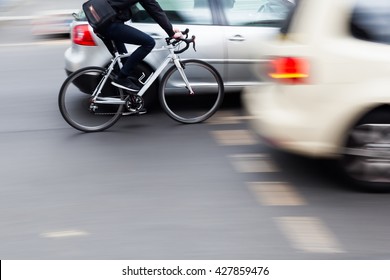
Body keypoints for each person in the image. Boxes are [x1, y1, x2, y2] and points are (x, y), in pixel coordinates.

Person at [99, 0, 183, 92]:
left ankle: (130, 99)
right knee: (149, 43)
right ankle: (121, 79)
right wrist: (170, 31)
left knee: (125, 64)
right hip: (109, 24)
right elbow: (152, 7)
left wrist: (170, 28)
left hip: (103, 22)